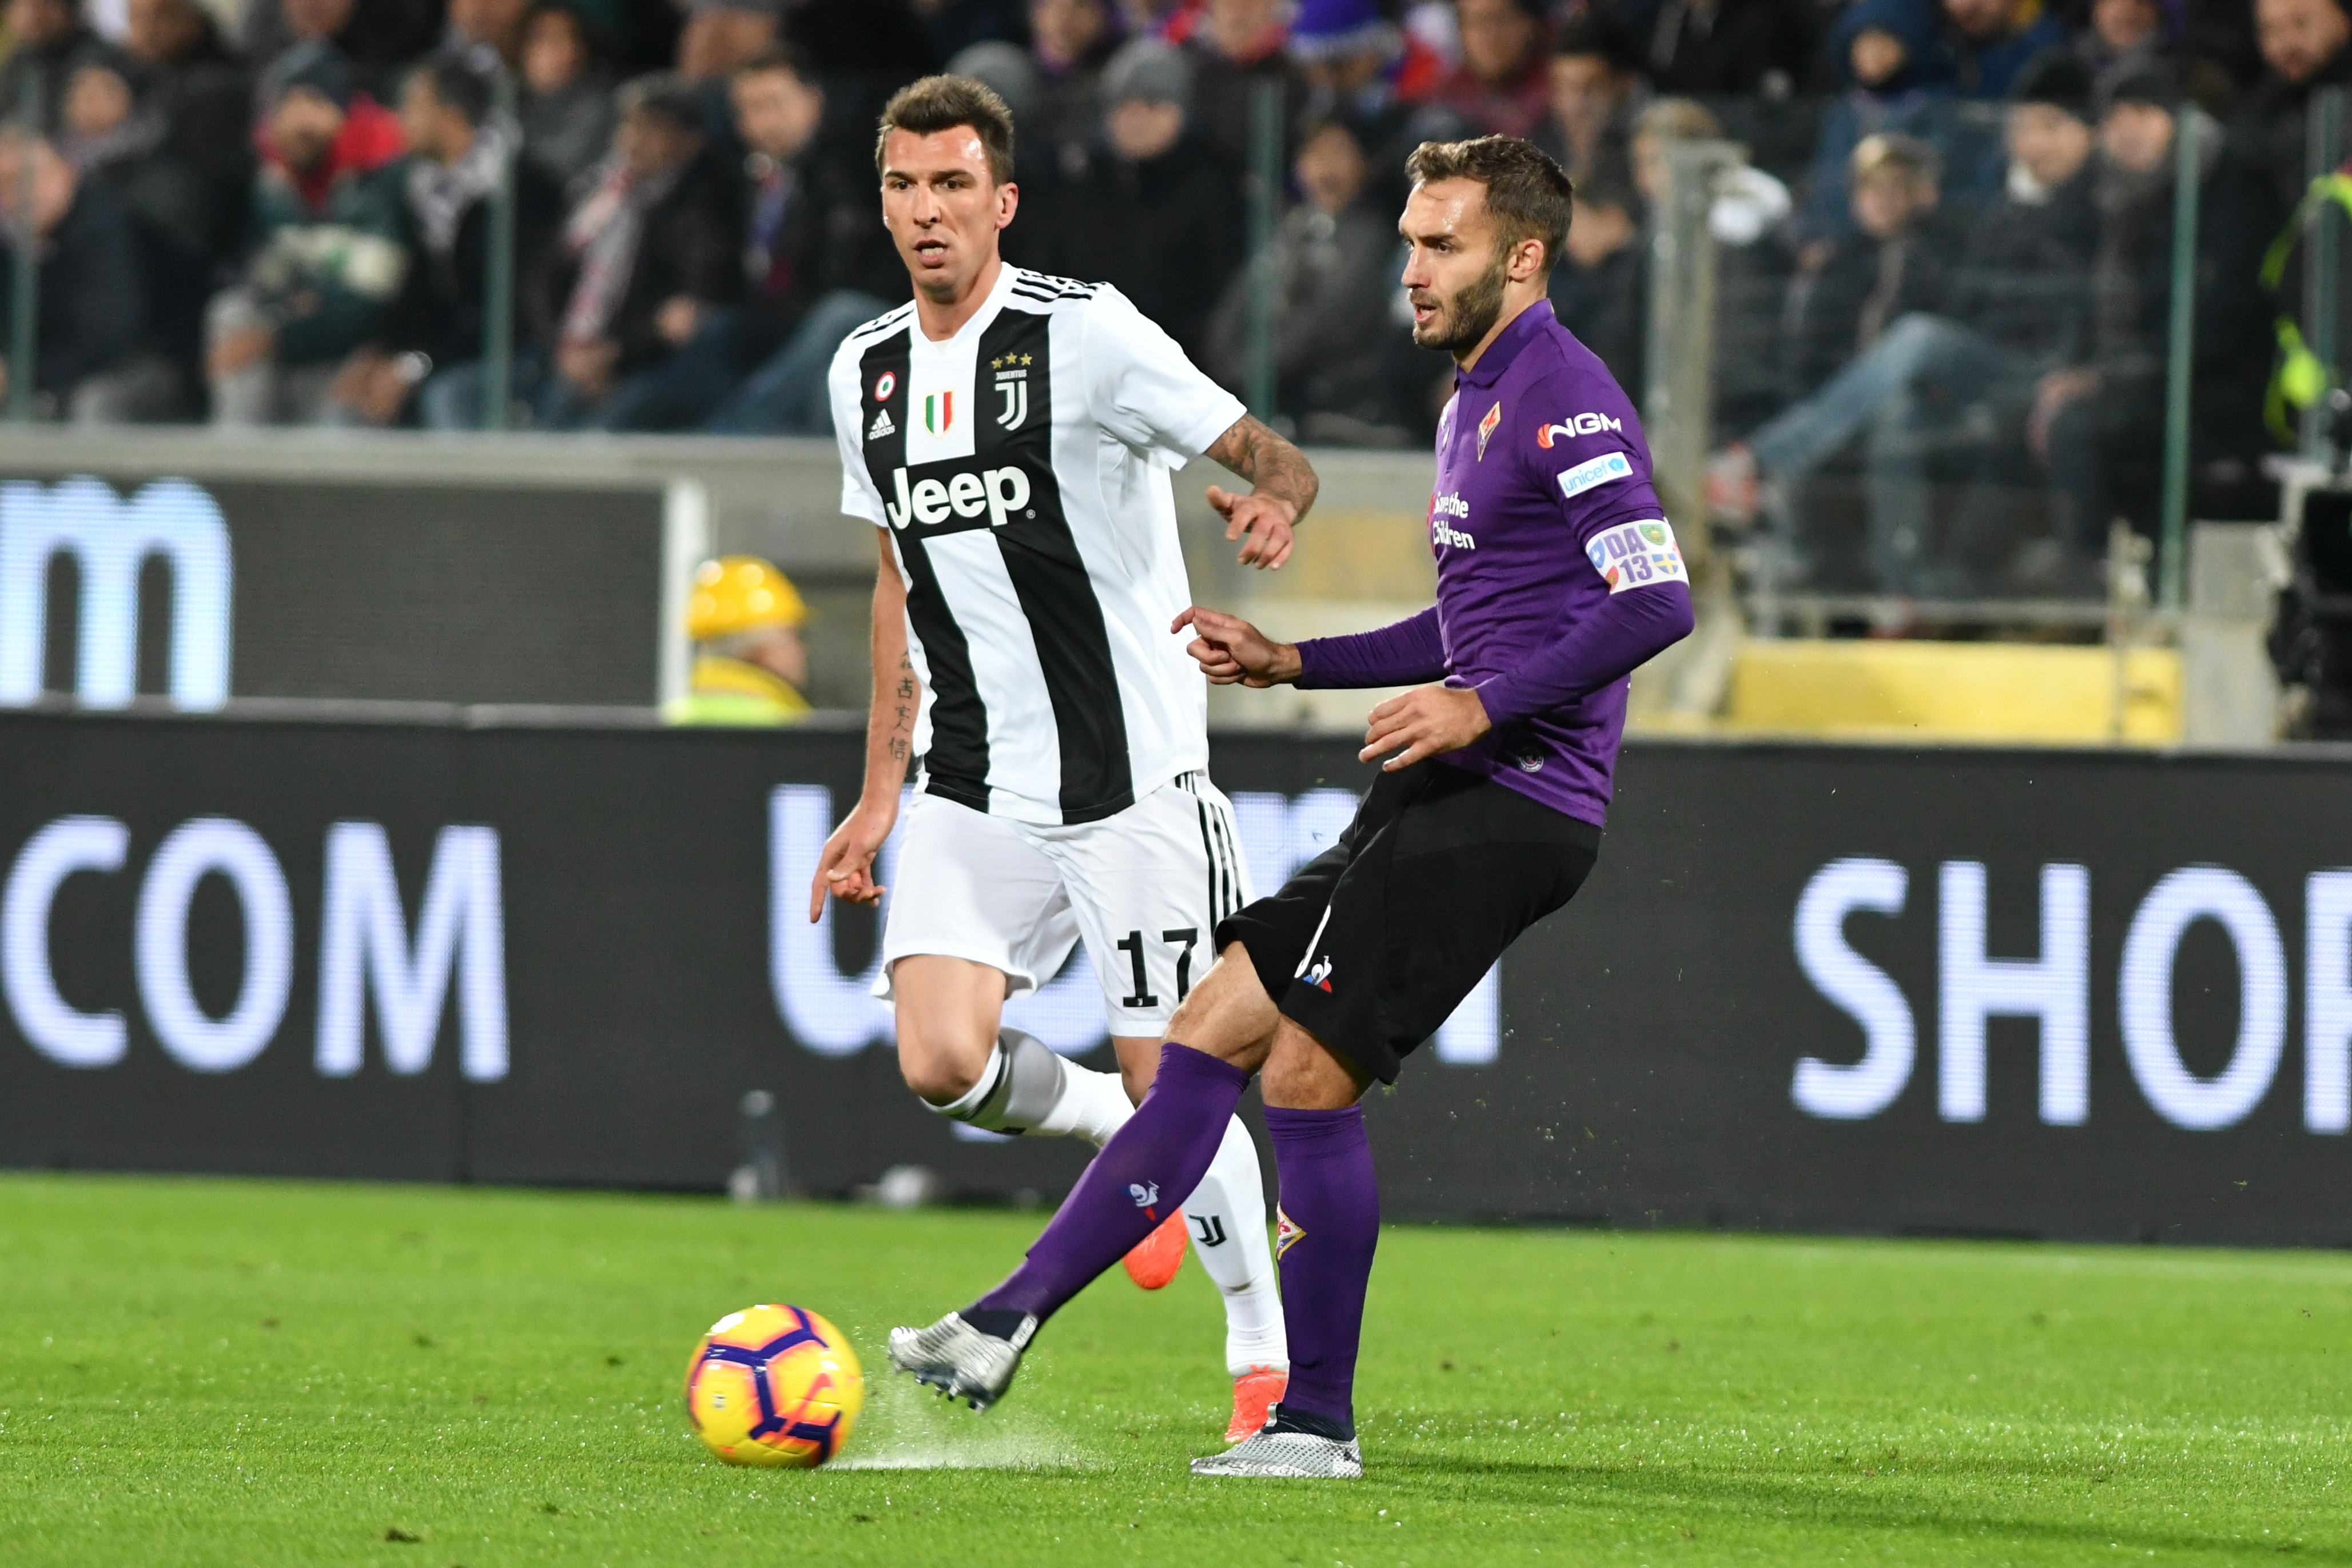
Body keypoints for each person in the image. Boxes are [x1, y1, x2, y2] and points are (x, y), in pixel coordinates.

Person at [891, 132, 1694, 1484]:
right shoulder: (1474, 397)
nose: (1410, 269)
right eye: (1408, 241)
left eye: (1439, 245)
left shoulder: (1563, 395)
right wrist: (1293, 661)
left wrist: (1483, 706)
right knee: (1207, 1028)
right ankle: (999, 1323)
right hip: (1445, 780)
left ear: (1522, 256)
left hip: (1513, 797)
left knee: (1307, 1076)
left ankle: (1312, 1421)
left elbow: (1655, 598)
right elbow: (1474, 618)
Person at [813, 74, 1318, 1443]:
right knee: (939, 1060)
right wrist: (877, 790)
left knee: (1183, 1083)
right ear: (882, 204)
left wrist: (1274, 500)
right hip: (974, 779)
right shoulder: (863, 371)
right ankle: (1107, 1122)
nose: (927, 211)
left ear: (1003, 202)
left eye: (953, 185)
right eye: (904, 186)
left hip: (1129, 780)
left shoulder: (1083, 335)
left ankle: (1260, 1358)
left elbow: (1268, 452)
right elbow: (895, 579)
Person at [1711, 53, 2103, 595]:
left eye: (2051, 127)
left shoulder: (2098, 204)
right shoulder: (2000, 209)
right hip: (1980, 369)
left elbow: (2082, 309)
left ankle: (1759, 461)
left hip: (2048, 374)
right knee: (1898, 414)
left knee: (1920, 337)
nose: (2035, 144)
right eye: (2024, 128)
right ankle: (1904, 593)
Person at [333, 52, 566, 428]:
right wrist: (380, 353)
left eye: (413, 105)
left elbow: (505, 315)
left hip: (517, 357)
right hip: (445, 355)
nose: (401, 118)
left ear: (451, 115)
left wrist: (416, 365)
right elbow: (417, 294)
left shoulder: (518, 192)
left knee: (448, 397)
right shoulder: (421, 189)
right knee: (348, 403)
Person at [697, 46, 904, 433]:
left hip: (870, 310)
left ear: (812, 100)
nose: (763, 122)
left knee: (836, 320)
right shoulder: (738, 180)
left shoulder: (862, 165)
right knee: (716, 331)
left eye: (774, 104)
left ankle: (732, 438)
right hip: (785, 316)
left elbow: (866, 266)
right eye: (748, 110)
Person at [207, 42, 407, 427]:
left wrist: (281, 334)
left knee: (339, 408)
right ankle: (238, 454)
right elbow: (259, 276)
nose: (300, 122)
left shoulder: (381, 181)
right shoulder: (271, 186)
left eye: (315, 104)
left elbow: (373, 303)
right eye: (288, 107)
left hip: (355, 353)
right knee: (231, 313)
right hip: (286, 346)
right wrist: (287, 315)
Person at [537, 73, 744, 429]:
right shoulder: (595, 195)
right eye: (629, 125)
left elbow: (683, 315)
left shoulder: (705, 207)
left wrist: (615, 354)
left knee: (596, 436)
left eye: (652, 128)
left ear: (689, 141)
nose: (634, 140)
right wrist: (561, 346)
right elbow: (544, 276)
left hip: (650, 366)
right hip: (567, 353)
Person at [1207, 115, 1409, 443]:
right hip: (1266, 392)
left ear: (1364, 166)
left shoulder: (1373, 237)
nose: (1326, 166)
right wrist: (1231, 366)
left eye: (1339, 153)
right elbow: (1235, 306)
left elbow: (1332, 322)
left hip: (1342, 403)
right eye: (1315, 153)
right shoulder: (1284, 230)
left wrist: (1257, 369)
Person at [0, 131, 148, 420]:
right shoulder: (10, 241)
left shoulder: (103, 226)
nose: (22, 193)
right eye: (7, 182)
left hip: (129, 366)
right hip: (35, 374)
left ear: (67, 173)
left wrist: (17, 376)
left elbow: (106, 336)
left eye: (33, 177)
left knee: (93, 403)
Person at [671, 555, 815, 723]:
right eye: (792, 636)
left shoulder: (677, 712)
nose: (803, 649)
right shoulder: (782, 722)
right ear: (759, 649)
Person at [518, 1, 618, 198]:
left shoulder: (599, 108)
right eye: (549, 39)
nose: (566, 52)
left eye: (573, 39)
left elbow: (556, 175)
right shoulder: (505, 100)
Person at [1433, 0, 1550, 139]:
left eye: (1500, 19)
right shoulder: (1444, 101)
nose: (1490, 34)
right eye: (1477, 21)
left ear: (1529, 25)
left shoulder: (1558, 95)